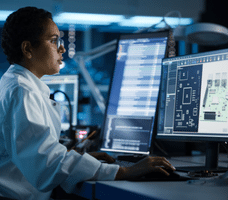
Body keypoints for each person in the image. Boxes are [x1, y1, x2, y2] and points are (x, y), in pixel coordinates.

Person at [0, 7, 175, 200]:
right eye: (53, 40)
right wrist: (122, 172)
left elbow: (34, 152)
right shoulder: (22, 91)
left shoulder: (18, 84)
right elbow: (46, 165)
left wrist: (80, 160)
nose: (62, 49)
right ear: (27, 49)